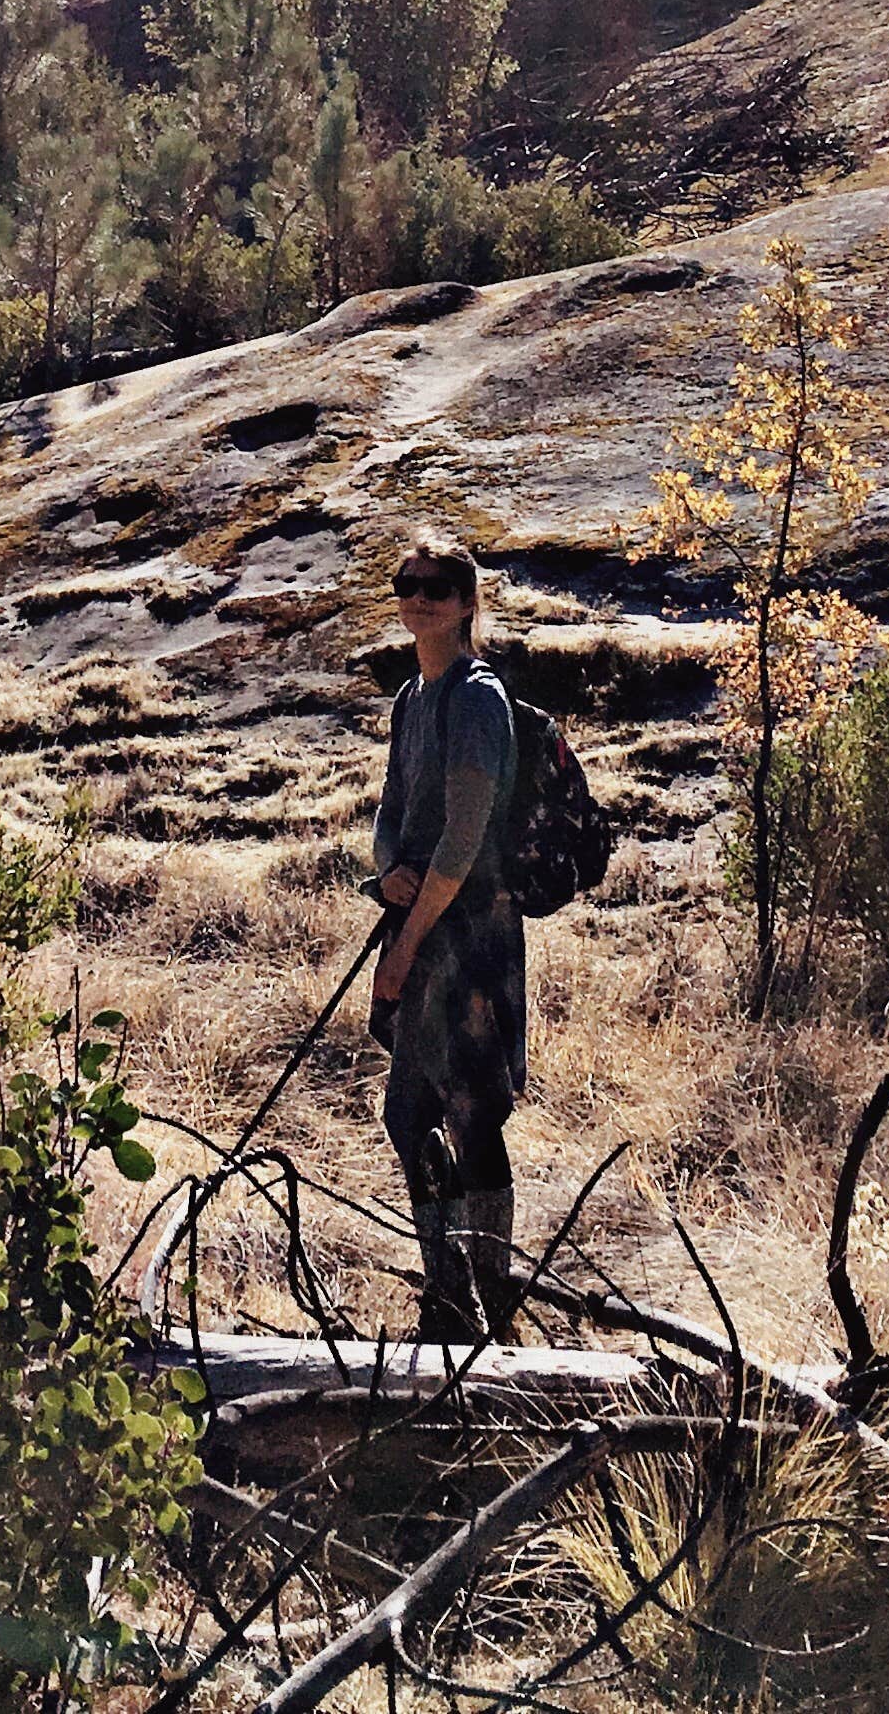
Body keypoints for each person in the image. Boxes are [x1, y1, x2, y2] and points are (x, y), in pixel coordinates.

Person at [370, 530, 530, 1345]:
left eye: (437, 585)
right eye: (408, 582)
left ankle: (490, 1305)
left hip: (469, 938)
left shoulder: (476, 698)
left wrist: (405, 943)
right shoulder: (412, 698)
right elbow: (393, 812)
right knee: (409, 1113)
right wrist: (387, 867)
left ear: (468, 602)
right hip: (421, 924)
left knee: (473, 1118)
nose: (420, 596)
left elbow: (465, 841)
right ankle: (447, 1295)